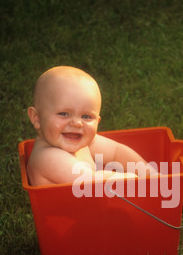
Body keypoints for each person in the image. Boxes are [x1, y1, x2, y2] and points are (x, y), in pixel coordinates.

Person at [27, 65, 157, 186]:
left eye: (86, 117)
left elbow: (117, 151)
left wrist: (150, 173)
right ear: (37, 118)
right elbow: (92, 183)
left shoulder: (83, 142)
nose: (77, 123)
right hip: (66, 210)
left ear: (97, 122)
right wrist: (136, 180)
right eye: (64, 114)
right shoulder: (47, 158)